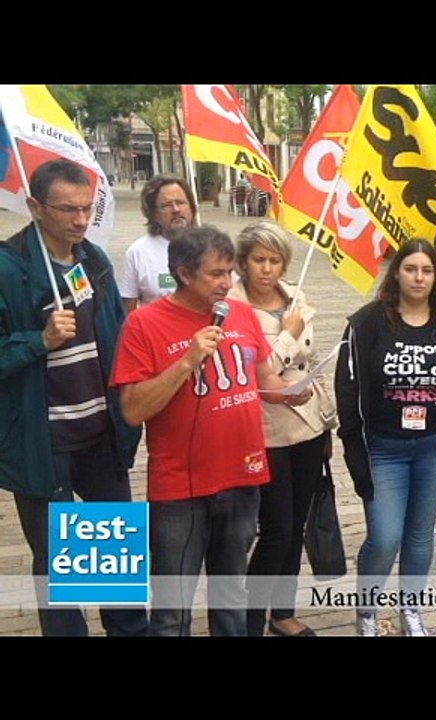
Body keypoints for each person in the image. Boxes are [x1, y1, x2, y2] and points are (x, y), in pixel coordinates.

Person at [112, 225, 311, 636]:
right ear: (185, 274)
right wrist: (186, 361)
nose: (228, 283)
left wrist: (292, 393)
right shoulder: (144, 325)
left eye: (230, 272)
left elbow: (262, 381)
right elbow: (132, 411)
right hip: (181, 488)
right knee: (173, 607)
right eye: (217, 274)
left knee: (231, 598)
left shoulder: (238, 314)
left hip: (242, 476)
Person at [0, 159, 147, 637]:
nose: (80, 220)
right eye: (67, 210)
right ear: (35, 206)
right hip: (42, 443)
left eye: (86, 209)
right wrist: (38, 341)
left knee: (113, 554)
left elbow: (118, 338)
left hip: (100, 433)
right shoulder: (8, 268)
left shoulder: (94, 261)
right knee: (58, 566)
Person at [335, 239, 436, 637]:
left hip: (435, 447)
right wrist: (354, 450)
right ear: (396, 272)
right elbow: (347, 394)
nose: (418, 277)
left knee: (419, 537)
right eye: (411, 268)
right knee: (384, 537)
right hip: (384, 450)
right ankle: (367, 611)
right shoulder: (366, 324)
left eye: (427, 270)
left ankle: (411, 610)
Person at [229, 219, 339, 637]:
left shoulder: (295, 295)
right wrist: (288, 334)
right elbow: (252, 371)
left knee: (296, 526)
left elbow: (306, 361)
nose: (267, 269)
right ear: (243, 262)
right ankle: (250, 620)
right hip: (265, 427)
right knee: (275, 528)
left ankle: (282, 611)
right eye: (258, 259)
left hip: (308, 423)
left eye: (275, 260)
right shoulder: (234, 306)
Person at [119, 174, 197, 314]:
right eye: (167, 205)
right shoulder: (138, 252)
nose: (176, 210)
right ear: (153, 213)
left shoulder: (212, 247)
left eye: (180, 202)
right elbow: (127, 313)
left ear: (191, 206)